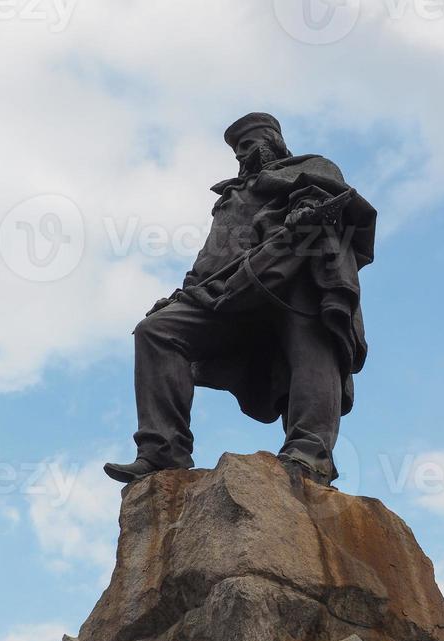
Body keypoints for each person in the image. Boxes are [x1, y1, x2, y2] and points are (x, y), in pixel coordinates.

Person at [105, 112, 376, 487]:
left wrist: (303, 212)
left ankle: (309, 454)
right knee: (156, 331)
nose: (243, 155)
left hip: (300, 269)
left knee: (312, 350)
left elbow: (326, 197)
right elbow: (209, 262)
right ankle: (162, 451)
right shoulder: (231, 198)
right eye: (238, 150)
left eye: (250, 145)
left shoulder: (312, 166)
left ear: (275, 141)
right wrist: (178, 297)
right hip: (236, 287)